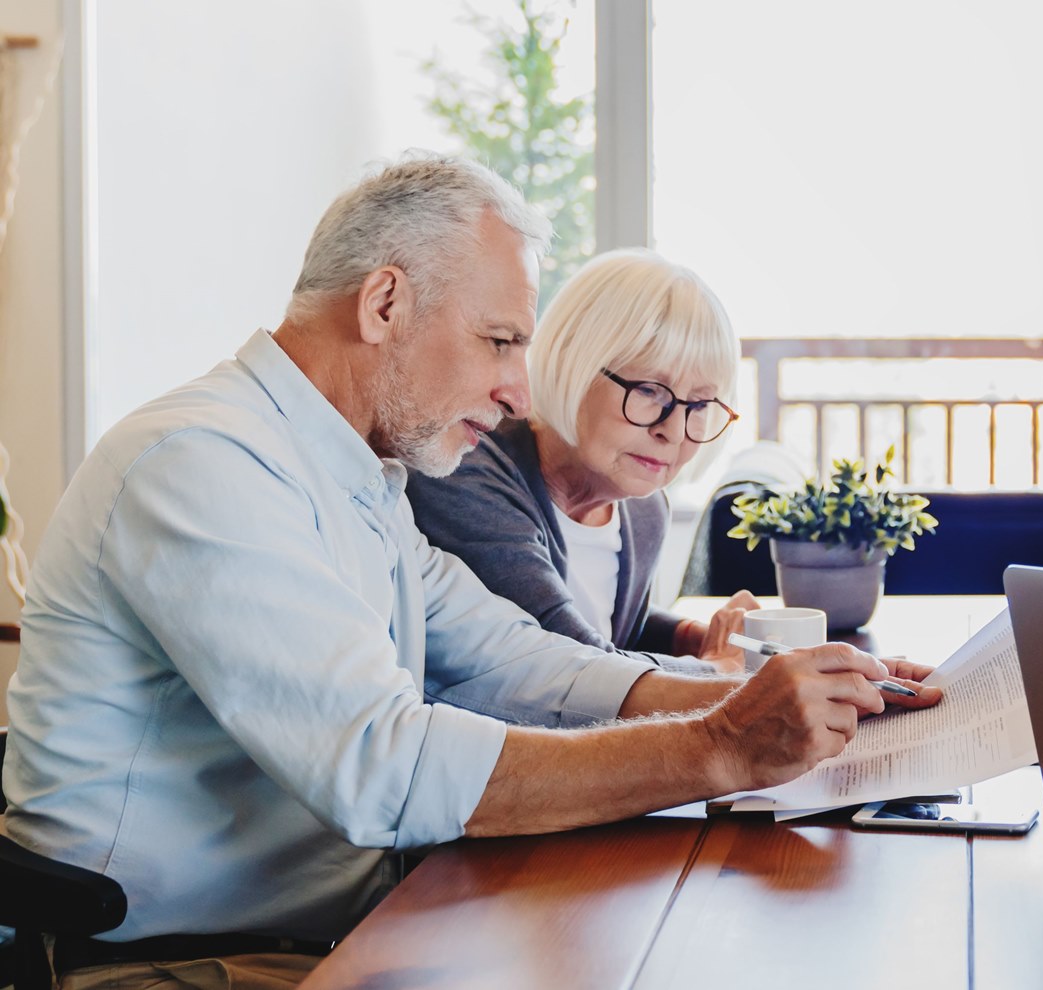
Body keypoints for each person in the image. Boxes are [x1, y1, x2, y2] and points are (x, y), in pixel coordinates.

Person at [1, 155, 940, 989]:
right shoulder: (204, 463)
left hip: (341, 925)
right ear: (384, 305)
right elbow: (382, 766)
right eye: (500, 340)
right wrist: (723, 745)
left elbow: (518, 661)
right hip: (177, 963)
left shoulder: (359, 476)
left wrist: (769, 694)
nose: (520, 389)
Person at [407, 248, 757, 675]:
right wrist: (716, 670)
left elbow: (607, 628)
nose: (675, 430)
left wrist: (697, 637)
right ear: (574, 362)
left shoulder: (644, 511)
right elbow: (570, 663)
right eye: (648, 390)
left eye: (700, 404)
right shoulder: (468, 475)